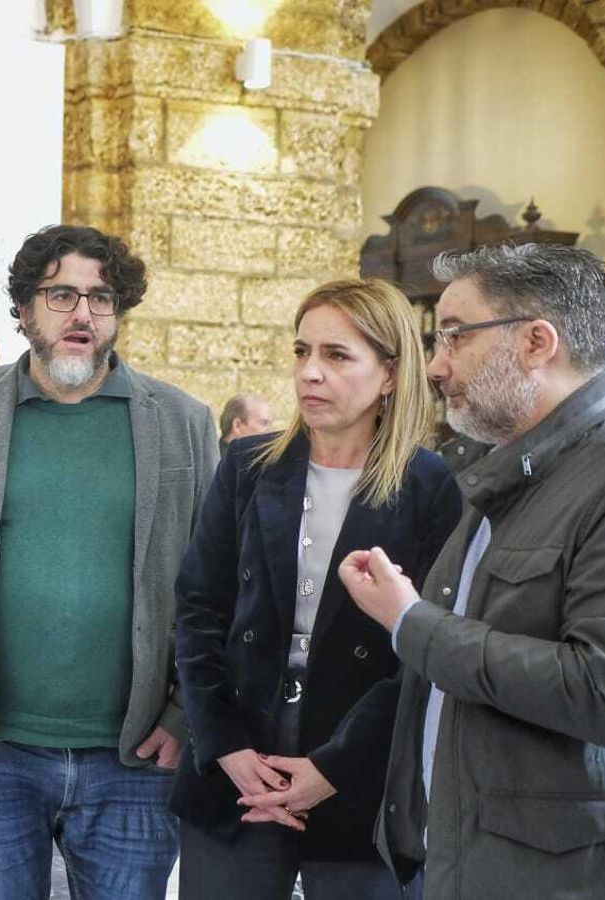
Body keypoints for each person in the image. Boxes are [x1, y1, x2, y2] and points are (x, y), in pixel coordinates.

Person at [0, 224, 217, 900]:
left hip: (137, 757)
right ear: (24, 309)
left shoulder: (181, 420)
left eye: (102, 298)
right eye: (62, 294)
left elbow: (214, 588)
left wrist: (186, 718)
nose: (83, 314)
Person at [336, 244, 605, 896]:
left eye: (455, 336)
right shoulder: (500, 468)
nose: (437, 366)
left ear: (538, 342)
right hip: (461, 857)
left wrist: (411, 621)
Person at [170, 280, 461, 899]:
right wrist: (226, 748)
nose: (310, 373)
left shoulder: (432, 486)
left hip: (360, 786)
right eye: (302, 352)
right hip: (238, 780)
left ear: (389, 374)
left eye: (336, 355)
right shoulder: (247, 468)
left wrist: (332, 768)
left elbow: (425, 654)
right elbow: (198, 611)